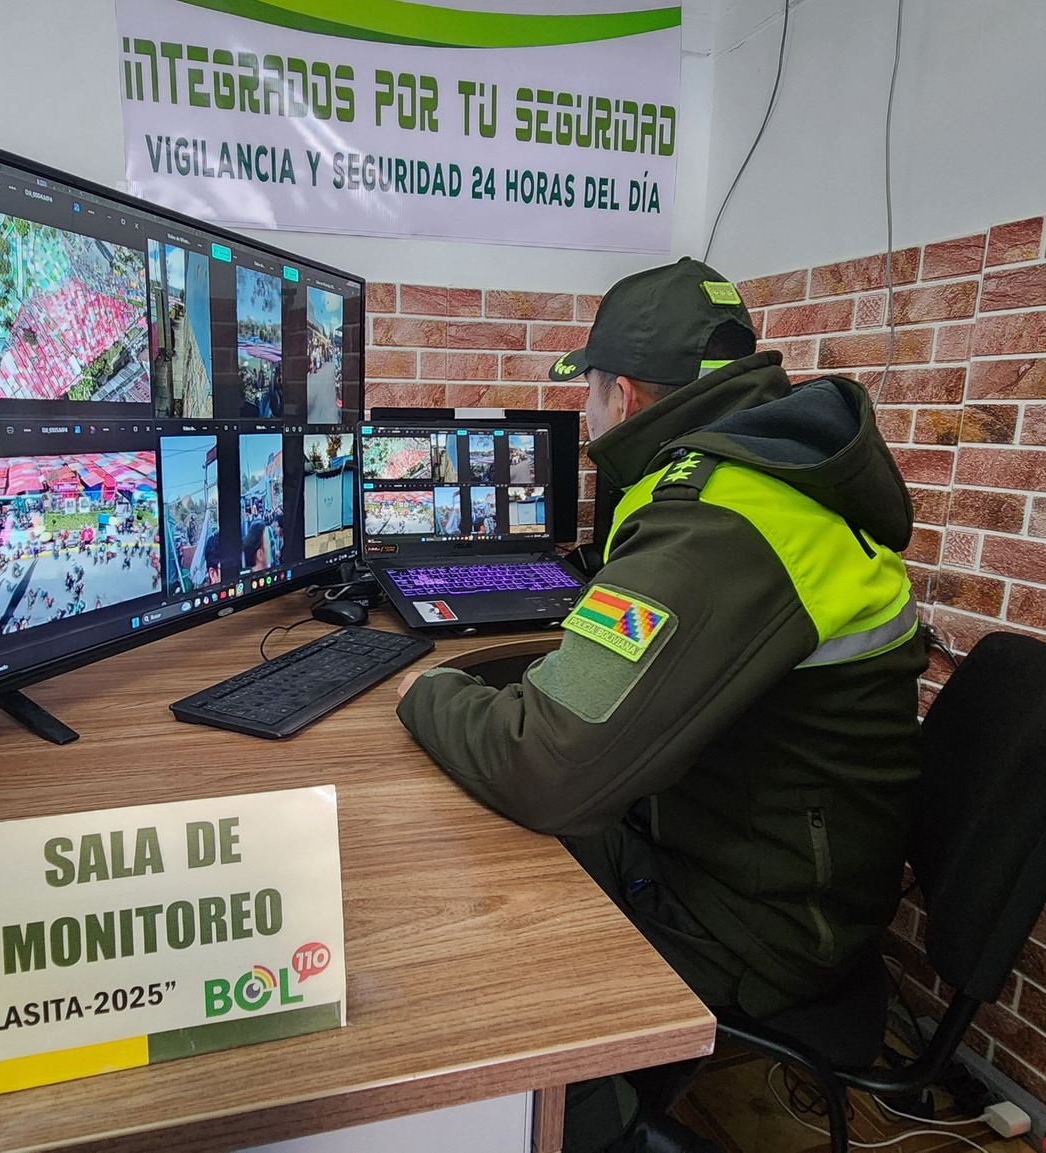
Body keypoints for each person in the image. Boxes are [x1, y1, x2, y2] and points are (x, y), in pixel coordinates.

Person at [395, 257, 923, 1153]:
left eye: (590, 395)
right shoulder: (758, 474)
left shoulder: (724, 516)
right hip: (741, 851)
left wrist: (427, 691)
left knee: (474, 927)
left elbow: (546, 769)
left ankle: (589, 1127)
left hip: (758, 922)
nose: (588, 415)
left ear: (627, 396)